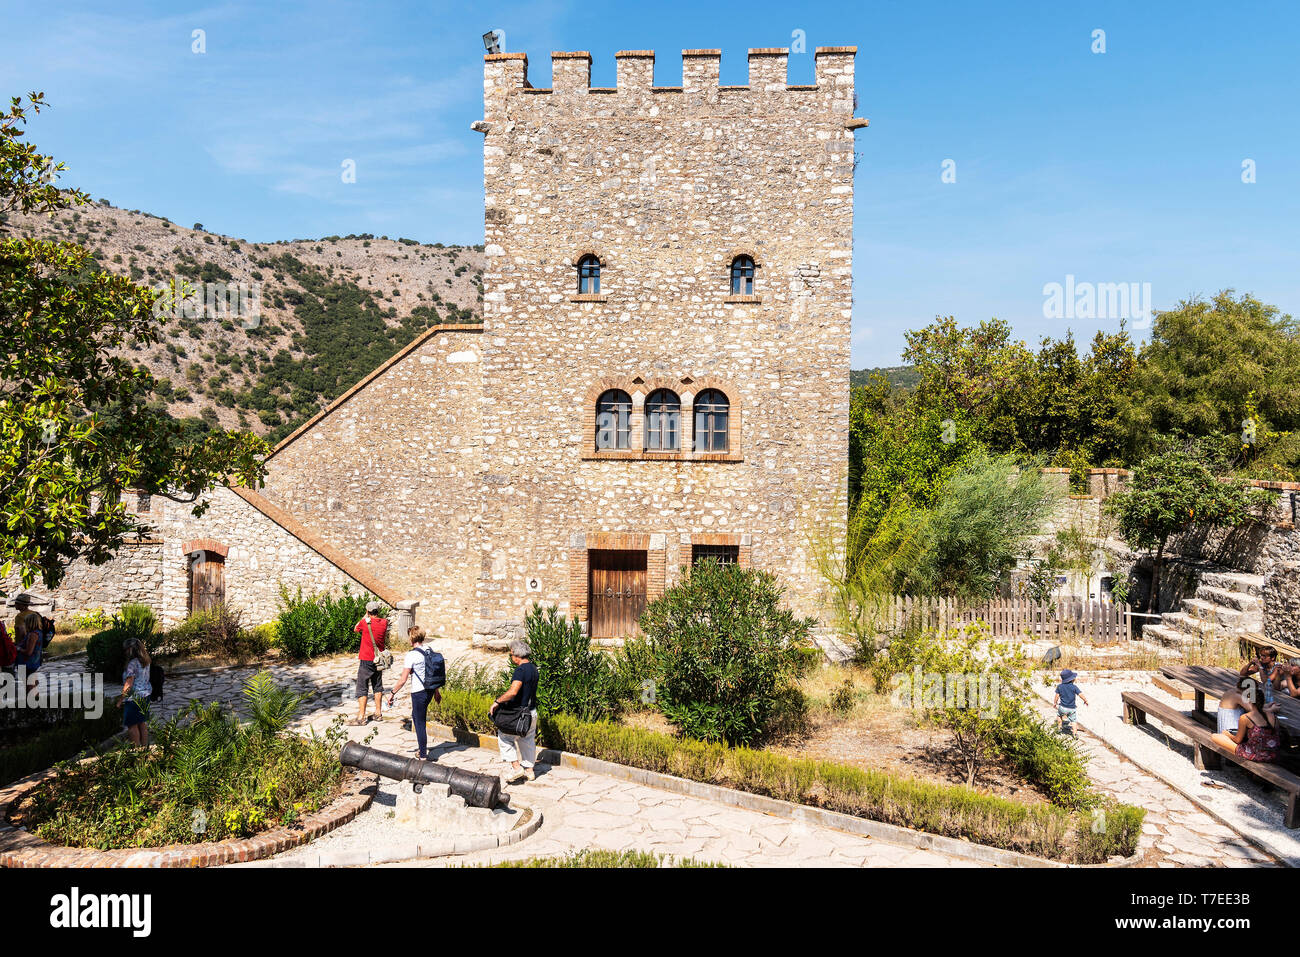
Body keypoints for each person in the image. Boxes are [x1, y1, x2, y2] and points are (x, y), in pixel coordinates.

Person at [386, 627, 444, 760]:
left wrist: (392, 693)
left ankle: (422, 754)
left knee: (419, 722)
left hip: (419, 692)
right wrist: (437, 692)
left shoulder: (411, 655)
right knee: (417, 717)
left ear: (411, 638)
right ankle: (421, 749)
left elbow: (402, 680)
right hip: (429, 690)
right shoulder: (428, 649)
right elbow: (432, 672)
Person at [489, 639, 539, 785]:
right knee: (527, 739)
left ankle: (517, 768)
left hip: (519, 713)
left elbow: (513, 692)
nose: (511, 658)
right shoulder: (534, 669)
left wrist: (497, 701)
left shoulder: (520, 670)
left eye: (511, 655)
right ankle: (529, 771)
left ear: (517, 655)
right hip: (532, 712)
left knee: (505, 737)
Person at [1211, 677, 1281, 762]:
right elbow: (1254, 710)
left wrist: (1268, 707)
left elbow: (1254, 710)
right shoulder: (1238, 696)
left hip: (1250, 749)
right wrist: (1271, 709)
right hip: (1271, 753)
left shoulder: (1234, 693)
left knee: (1215, 737)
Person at [350, 601, 389, 726]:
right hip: (379, 660)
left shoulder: (364, 623)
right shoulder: (384, 623)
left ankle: (361, 717)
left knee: (362, 687)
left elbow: (355, 629)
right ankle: (378, 713)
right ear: (378, 611)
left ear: (368, 611)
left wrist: (364, 616)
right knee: (377, 685)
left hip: (366, 659)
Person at [117, 637, 152, 747]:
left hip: (134, 698)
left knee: (132, 725)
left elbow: (129, 684)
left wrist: (120, 700)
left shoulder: (132, 664)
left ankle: (137, 750)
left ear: (131, 649)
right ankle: (145, 748)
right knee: (142, 723)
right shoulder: (145, 661)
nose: (125, 652)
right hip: (145, 695)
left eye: (126, 649)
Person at [12, 596, 43, 691]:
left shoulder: (20, 617)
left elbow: (21, 633)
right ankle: (35, 695)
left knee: (26, 678)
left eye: (17, 603)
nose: (15, 605)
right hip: (37, 652)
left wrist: (18, 647)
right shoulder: (35, 614)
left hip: (24, 651)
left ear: (23, 605)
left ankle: (31, 699)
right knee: (32, 676)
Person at [1054, 668, 1089, 735]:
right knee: (1073, 721)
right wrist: (1085, 700)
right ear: (1072, 679)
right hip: (1071, 708)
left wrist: (1055, 703)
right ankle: (1075, 734)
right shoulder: (1074, 687)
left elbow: (1057, 696)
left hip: (1062, 707)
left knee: (1059, 716)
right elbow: (1080, 694)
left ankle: (1059, 728)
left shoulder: (1059, 686)